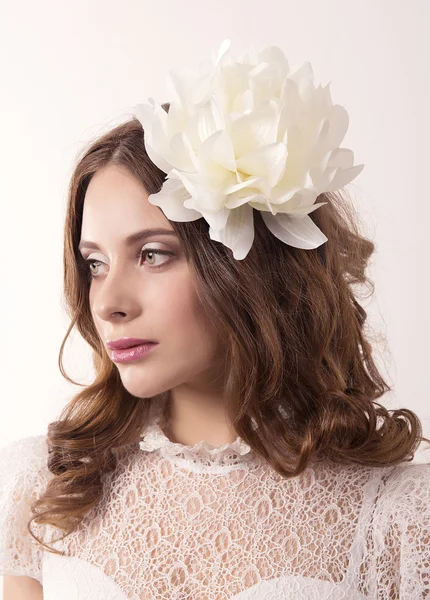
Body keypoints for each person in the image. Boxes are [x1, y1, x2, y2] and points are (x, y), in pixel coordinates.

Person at [1, 39, 429, 600]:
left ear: (247, 265)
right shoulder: (46, 486)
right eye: (94, 264)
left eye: (153, 254)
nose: (107, 302)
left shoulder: (397, 517)